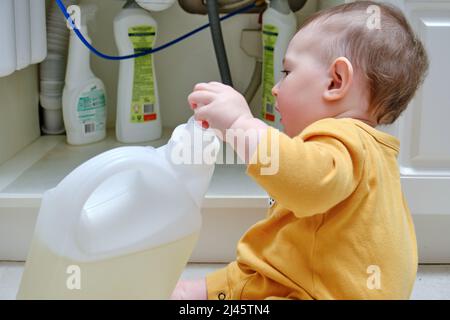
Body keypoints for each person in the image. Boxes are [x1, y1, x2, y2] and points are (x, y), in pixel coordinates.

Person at [171, 0, 429, 299]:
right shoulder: (372, 152)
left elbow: (304, 182)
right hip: (311, 280)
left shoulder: (344, 137)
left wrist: (239, 123)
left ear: (336, 81)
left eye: (287, 71)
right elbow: (287, 255)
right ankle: (210, 291)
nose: (275, 88)